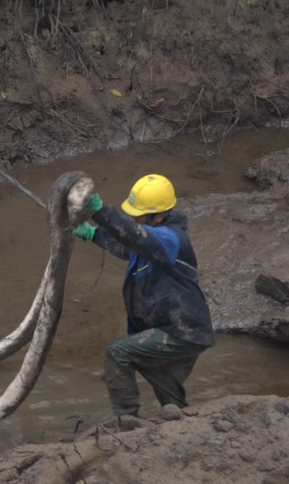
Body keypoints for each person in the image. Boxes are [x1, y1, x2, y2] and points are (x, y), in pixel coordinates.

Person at [72, 173, 214, 417]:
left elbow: (135, 237)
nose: (133, 218)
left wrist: (101, 212)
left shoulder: (170, 239)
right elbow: (130, 246)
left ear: (158, 215)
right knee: (163, 383)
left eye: (138, 214)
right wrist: (94, 234)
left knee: (118, 351)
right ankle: (180, 420)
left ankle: (127, 419)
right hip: (179, 330)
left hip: (182, 331)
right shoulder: (152, 240)